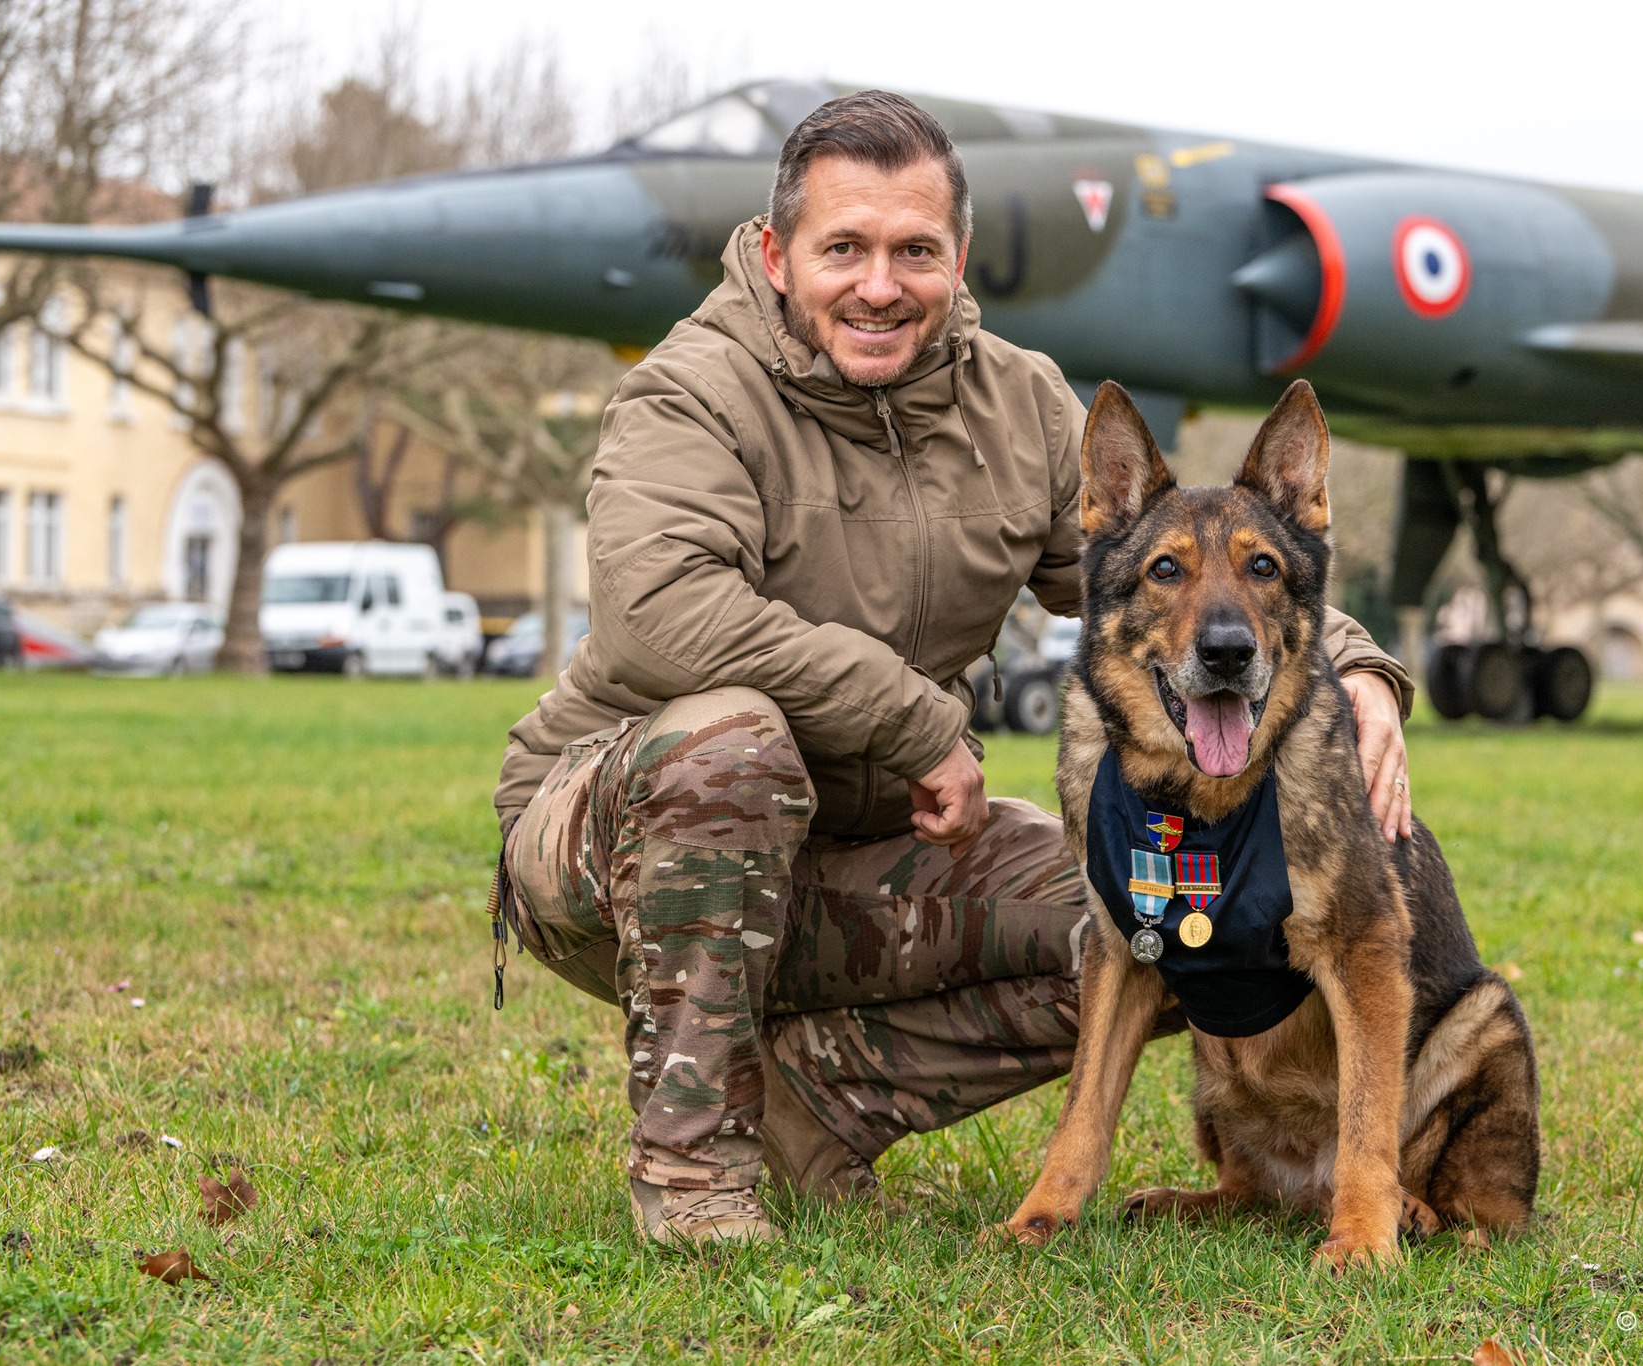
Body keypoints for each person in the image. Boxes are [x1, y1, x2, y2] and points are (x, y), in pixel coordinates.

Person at [493, 91, 1416, 1247]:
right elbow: (658, 618)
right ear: (778, 255)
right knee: (731, 741)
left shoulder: (1017, 400)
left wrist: (1362, 671)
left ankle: (807, 1106)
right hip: (619, 845)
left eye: (912, 251)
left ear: (955, 257)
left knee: (1167, 909)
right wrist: (914, 722)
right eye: (844, 248)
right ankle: (692, 1172)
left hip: (865, 849)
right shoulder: (688, 393)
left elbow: (1162, 577)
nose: (879, 283)